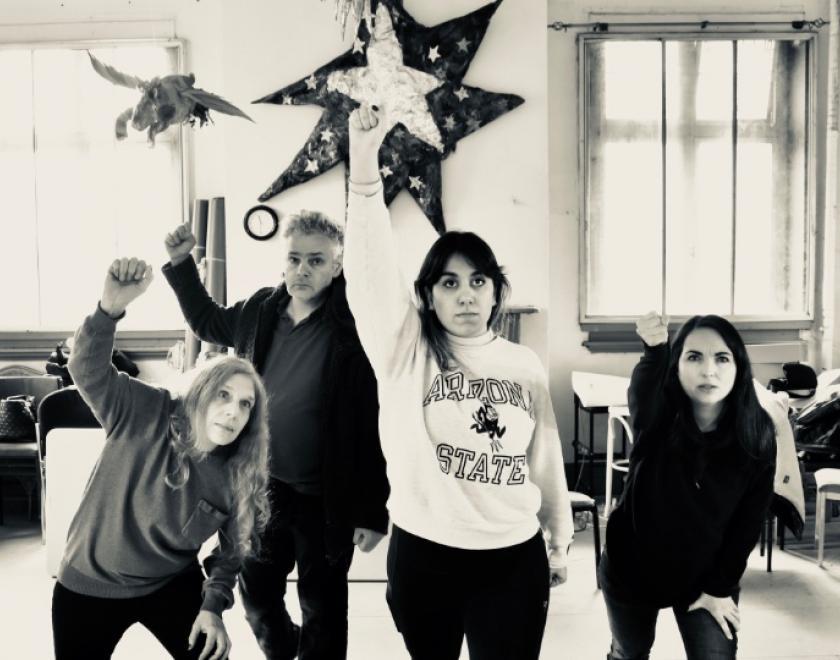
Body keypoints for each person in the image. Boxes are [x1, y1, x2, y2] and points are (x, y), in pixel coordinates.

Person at [343, 104, 573, 660]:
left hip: (512, 554)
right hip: (425, 553)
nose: (466, 295)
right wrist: (364, 169)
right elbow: (370, 274)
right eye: (448, 283)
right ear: (428, 296)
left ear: (495, 292)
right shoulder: (405, 351)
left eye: (478, 281)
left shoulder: (523, 363)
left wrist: (559, 538)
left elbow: (544, 458)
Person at [162, 211, 388, 659]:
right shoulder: (259, 310)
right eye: (294, 259)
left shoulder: (356, 325)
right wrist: (182, 262)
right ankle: (287, 650)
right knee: (259, 599)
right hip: (263, 487)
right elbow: (206, 320)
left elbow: (371, 424)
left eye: (316, 261)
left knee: (323, 605)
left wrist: (372, 510)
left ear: (337, 266)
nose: (302, 269)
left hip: (327, 495)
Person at [52, 257, 271, 660]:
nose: (233, 412)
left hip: (170, 582)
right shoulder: (144, 409)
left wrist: (212, 606)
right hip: (89, 582)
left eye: (245, 404)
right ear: (200, 393)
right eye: (223, 395)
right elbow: (84, 367)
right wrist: (109, 308)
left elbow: (232, 551)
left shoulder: (239, 470)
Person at [600, 311, 777, 660]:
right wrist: (655, 349)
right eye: (694, 357)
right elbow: (646, 382)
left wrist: (719, 587)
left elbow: (748, 522)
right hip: (633, 568)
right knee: (628, 653)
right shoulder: (657, 414)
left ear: (739, 366)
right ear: (677, 366)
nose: (709, 371)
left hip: (706, 574)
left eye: (722, 358)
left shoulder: (756, 431)